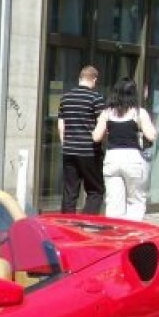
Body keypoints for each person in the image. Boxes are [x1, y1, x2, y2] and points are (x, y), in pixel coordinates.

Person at [92, 77, 157, 221]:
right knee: (136, 201)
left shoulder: (107, 112)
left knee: (114, 204)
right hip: (133, 159)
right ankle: (132, 236)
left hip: (112, 159)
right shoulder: (139, 113)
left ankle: (115, 237)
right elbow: (151, 136)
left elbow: (96, 137)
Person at [56, 65, 106, 214]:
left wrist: (66, 145)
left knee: (70, 191)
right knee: (95, 190)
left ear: (80, 78)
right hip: (89, 152)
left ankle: (66, 225)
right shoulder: (96, 99)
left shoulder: (65, 98)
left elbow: (60, 126)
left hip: (69, 150)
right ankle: (86, 224)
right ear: (94, 79)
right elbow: (101, 126)